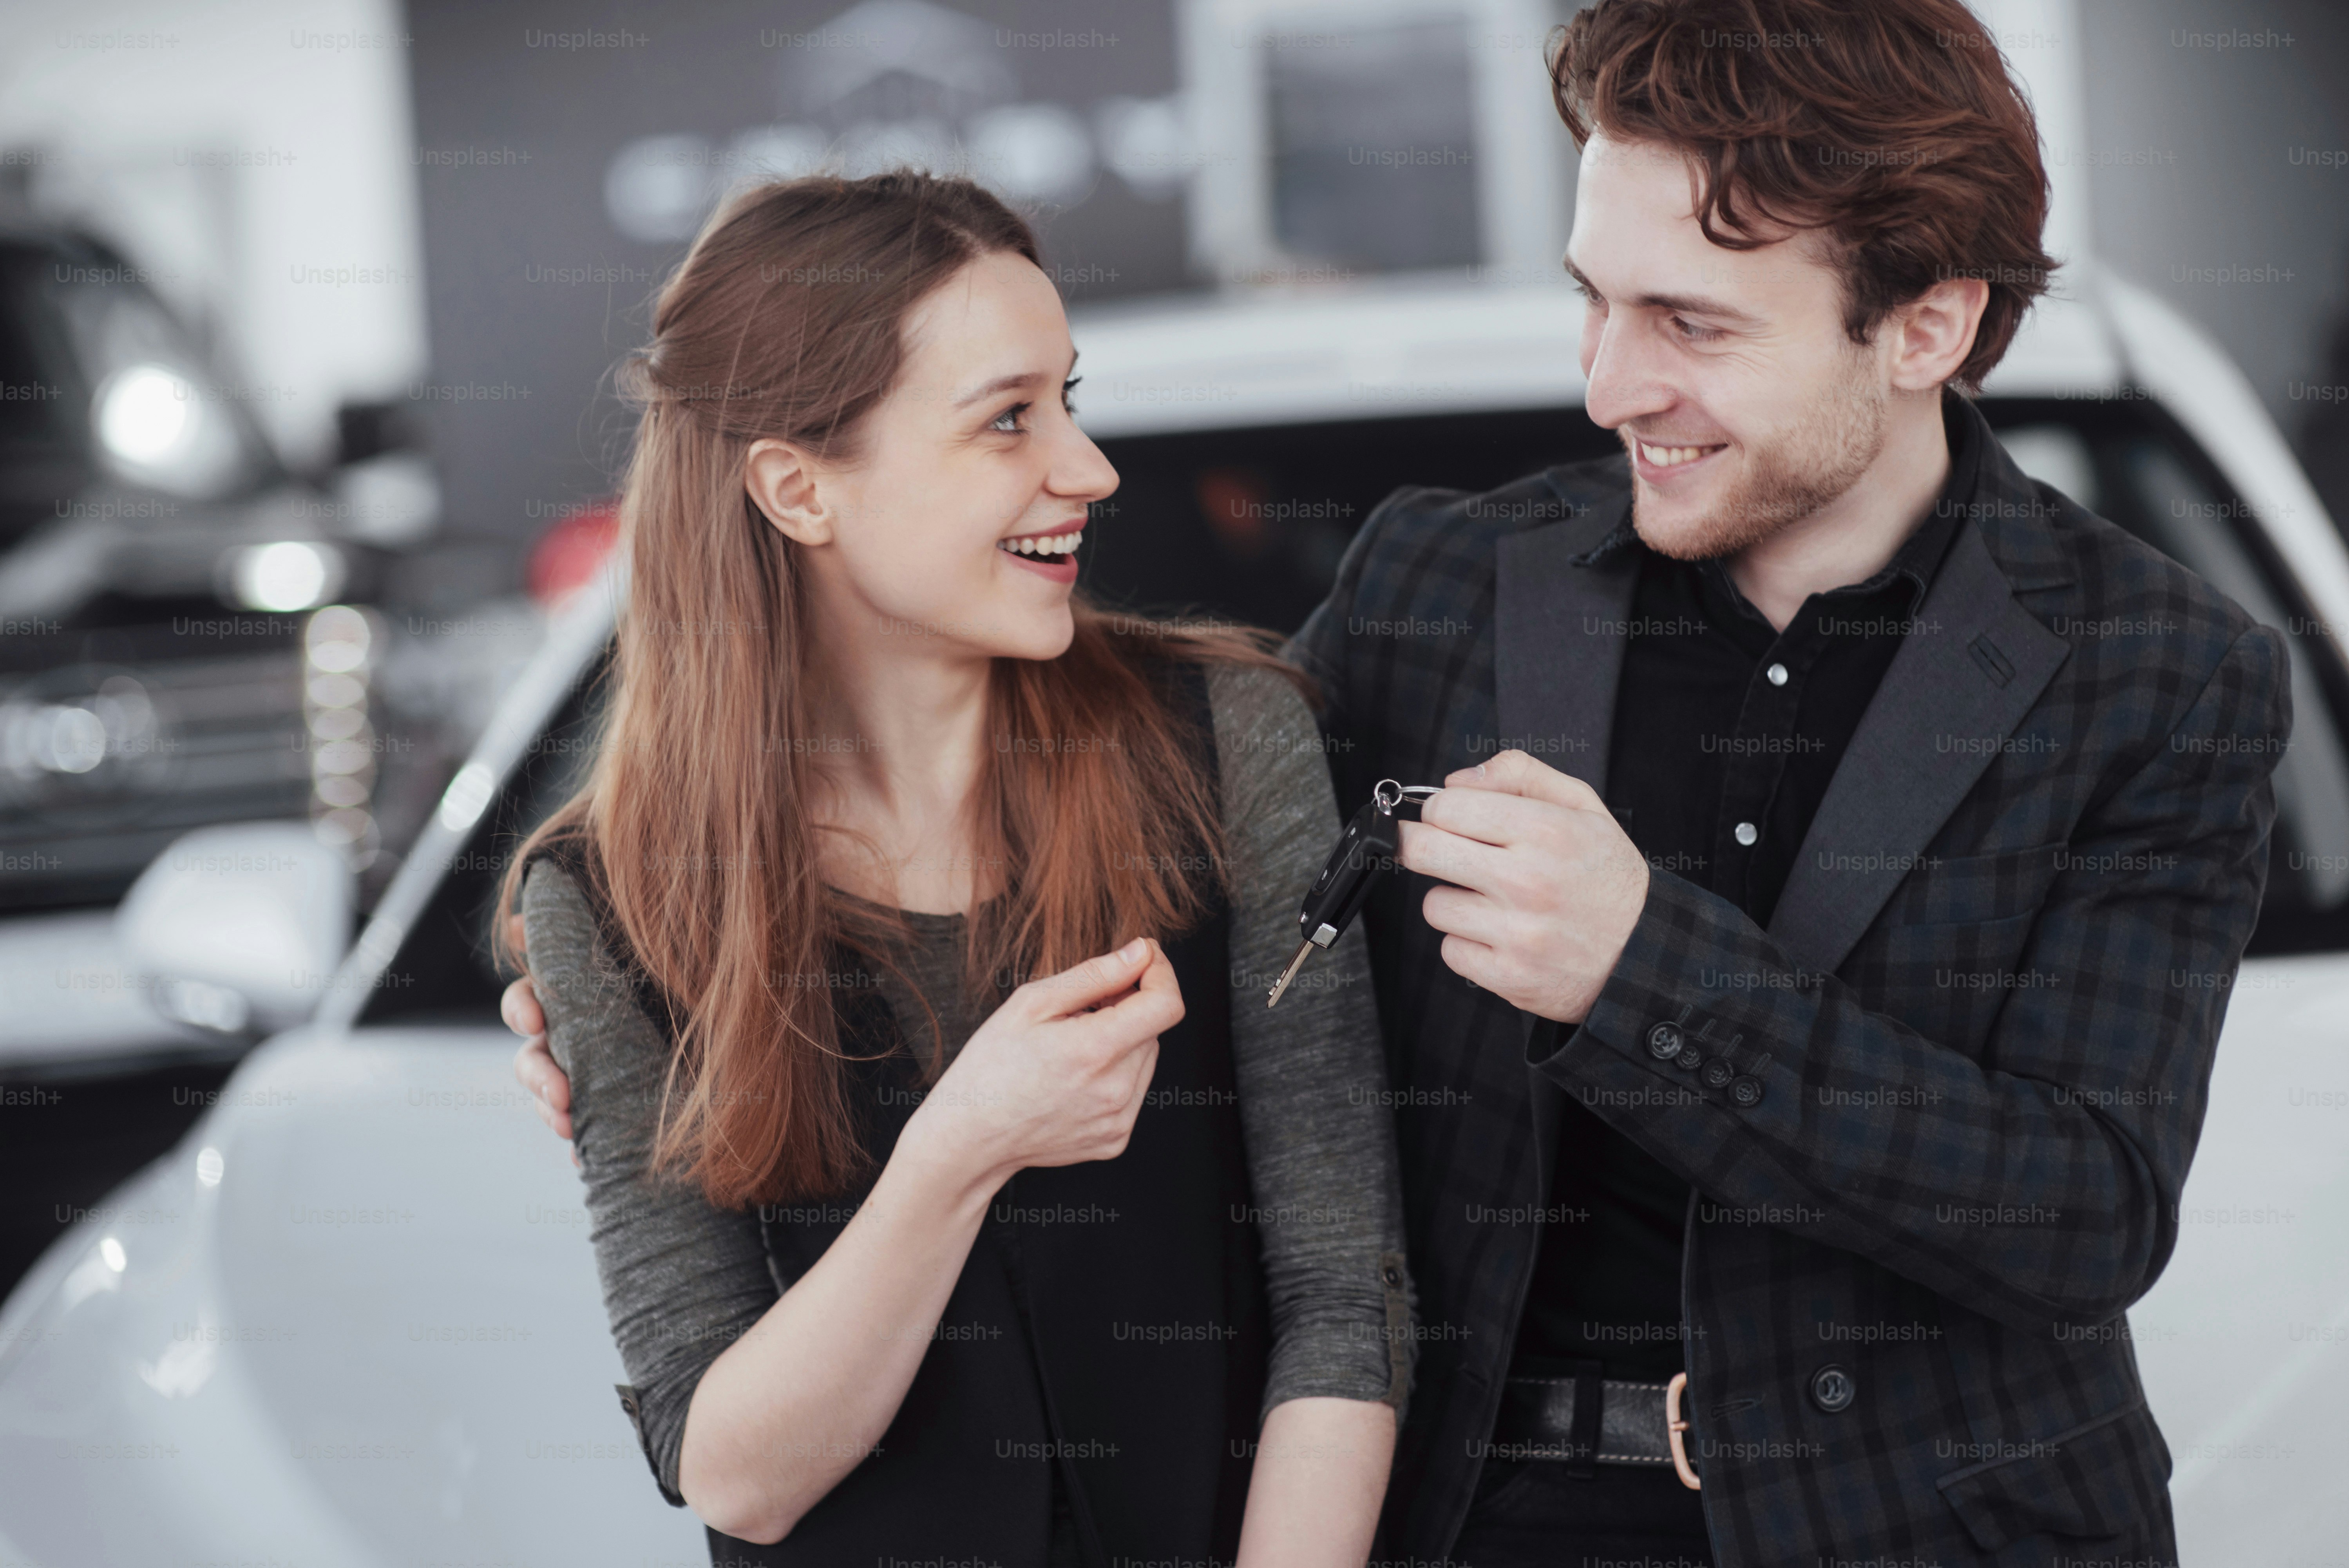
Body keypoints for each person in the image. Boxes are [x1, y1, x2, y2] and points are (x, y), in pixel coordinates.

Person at [510, 3, 2291, 1563]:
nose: (1605, 386)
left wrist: (1641, 967)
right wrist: (641, 981)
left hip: (1934, 1528)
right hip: (1482, 1512)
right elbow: (1141, 852)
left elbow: (2077, 1210)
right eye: (1593, 300)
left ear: (1923, 323)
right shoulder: (1435, 589)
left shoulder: (2158, 672)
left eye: (1688, 324)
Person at [493, 170, 1410, 1567]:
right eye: (1007, 420)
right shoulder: (613, 901)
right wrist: (958, 1149)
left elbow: (1345, 1295)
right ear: (798, 489)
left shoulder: (1229, 739)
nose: (1089, 468)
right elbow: (731, 1467)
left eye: (1069, 397)